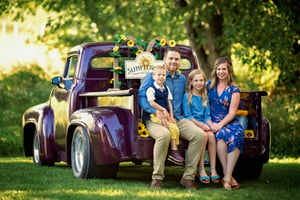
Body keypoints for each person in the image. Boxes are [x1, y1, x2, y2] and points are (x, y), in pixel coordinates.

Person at [139, 47, 204, 190]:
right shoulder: (153, 76)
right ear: (164, 60)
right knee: (164, 135)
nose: (174, 61)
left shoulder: (182, 79)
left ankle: (188, 178)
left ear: (180, 62)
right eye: (171, 58)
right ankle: (157, 178)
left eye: (177, 59)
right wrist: (156, 110)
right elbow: (142, 98)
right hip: (155, 118)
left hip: (177, 118)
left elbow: (196, 90)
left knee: (199, 135)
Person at [207, 57, 244, 190]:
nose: (221, 72)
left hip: (228, 122)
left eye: (224, 69)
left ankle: (227, 178)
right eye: (218, 69)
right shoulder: (209, 86)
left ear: (229, 71)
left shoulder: (234, 90)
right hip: (211, 122)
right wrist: (211, 123)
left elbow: (232, 113)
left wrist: (220, 125)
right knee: (221, 137)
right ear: (215, 70)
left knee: (236, 135)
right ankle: (228, 177)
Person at [182, 69, 220, 184]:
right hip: (193, 124)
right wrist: (202, 126)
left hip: (204, 123)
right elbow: (188, 116)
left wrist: (212, 126)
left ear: (204, 81)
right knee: (203, 136)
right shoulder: (187, 96)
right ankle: (201, 168)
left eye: (201, 80)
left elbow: (207, 115)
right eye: (196, 81)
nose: (199, 83)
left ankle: (213, 169)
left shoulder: (205, 96)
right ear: (191, 82)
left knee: (212, 136)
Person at [145, 65, 184, 165]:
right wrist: (162, 109)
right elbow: (151, 103)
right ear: (153, 76)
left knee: (175, 128)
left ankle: (174, 150)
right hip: (156, 115)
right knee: (170, 128)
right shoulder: (151, 89)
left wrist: (171, 115)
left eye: (163, 75)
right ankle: (174, 151)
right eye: (159, 75)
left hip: (166, 114)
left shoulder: (166, 88)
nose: (161, 77)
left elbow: (169, 102)